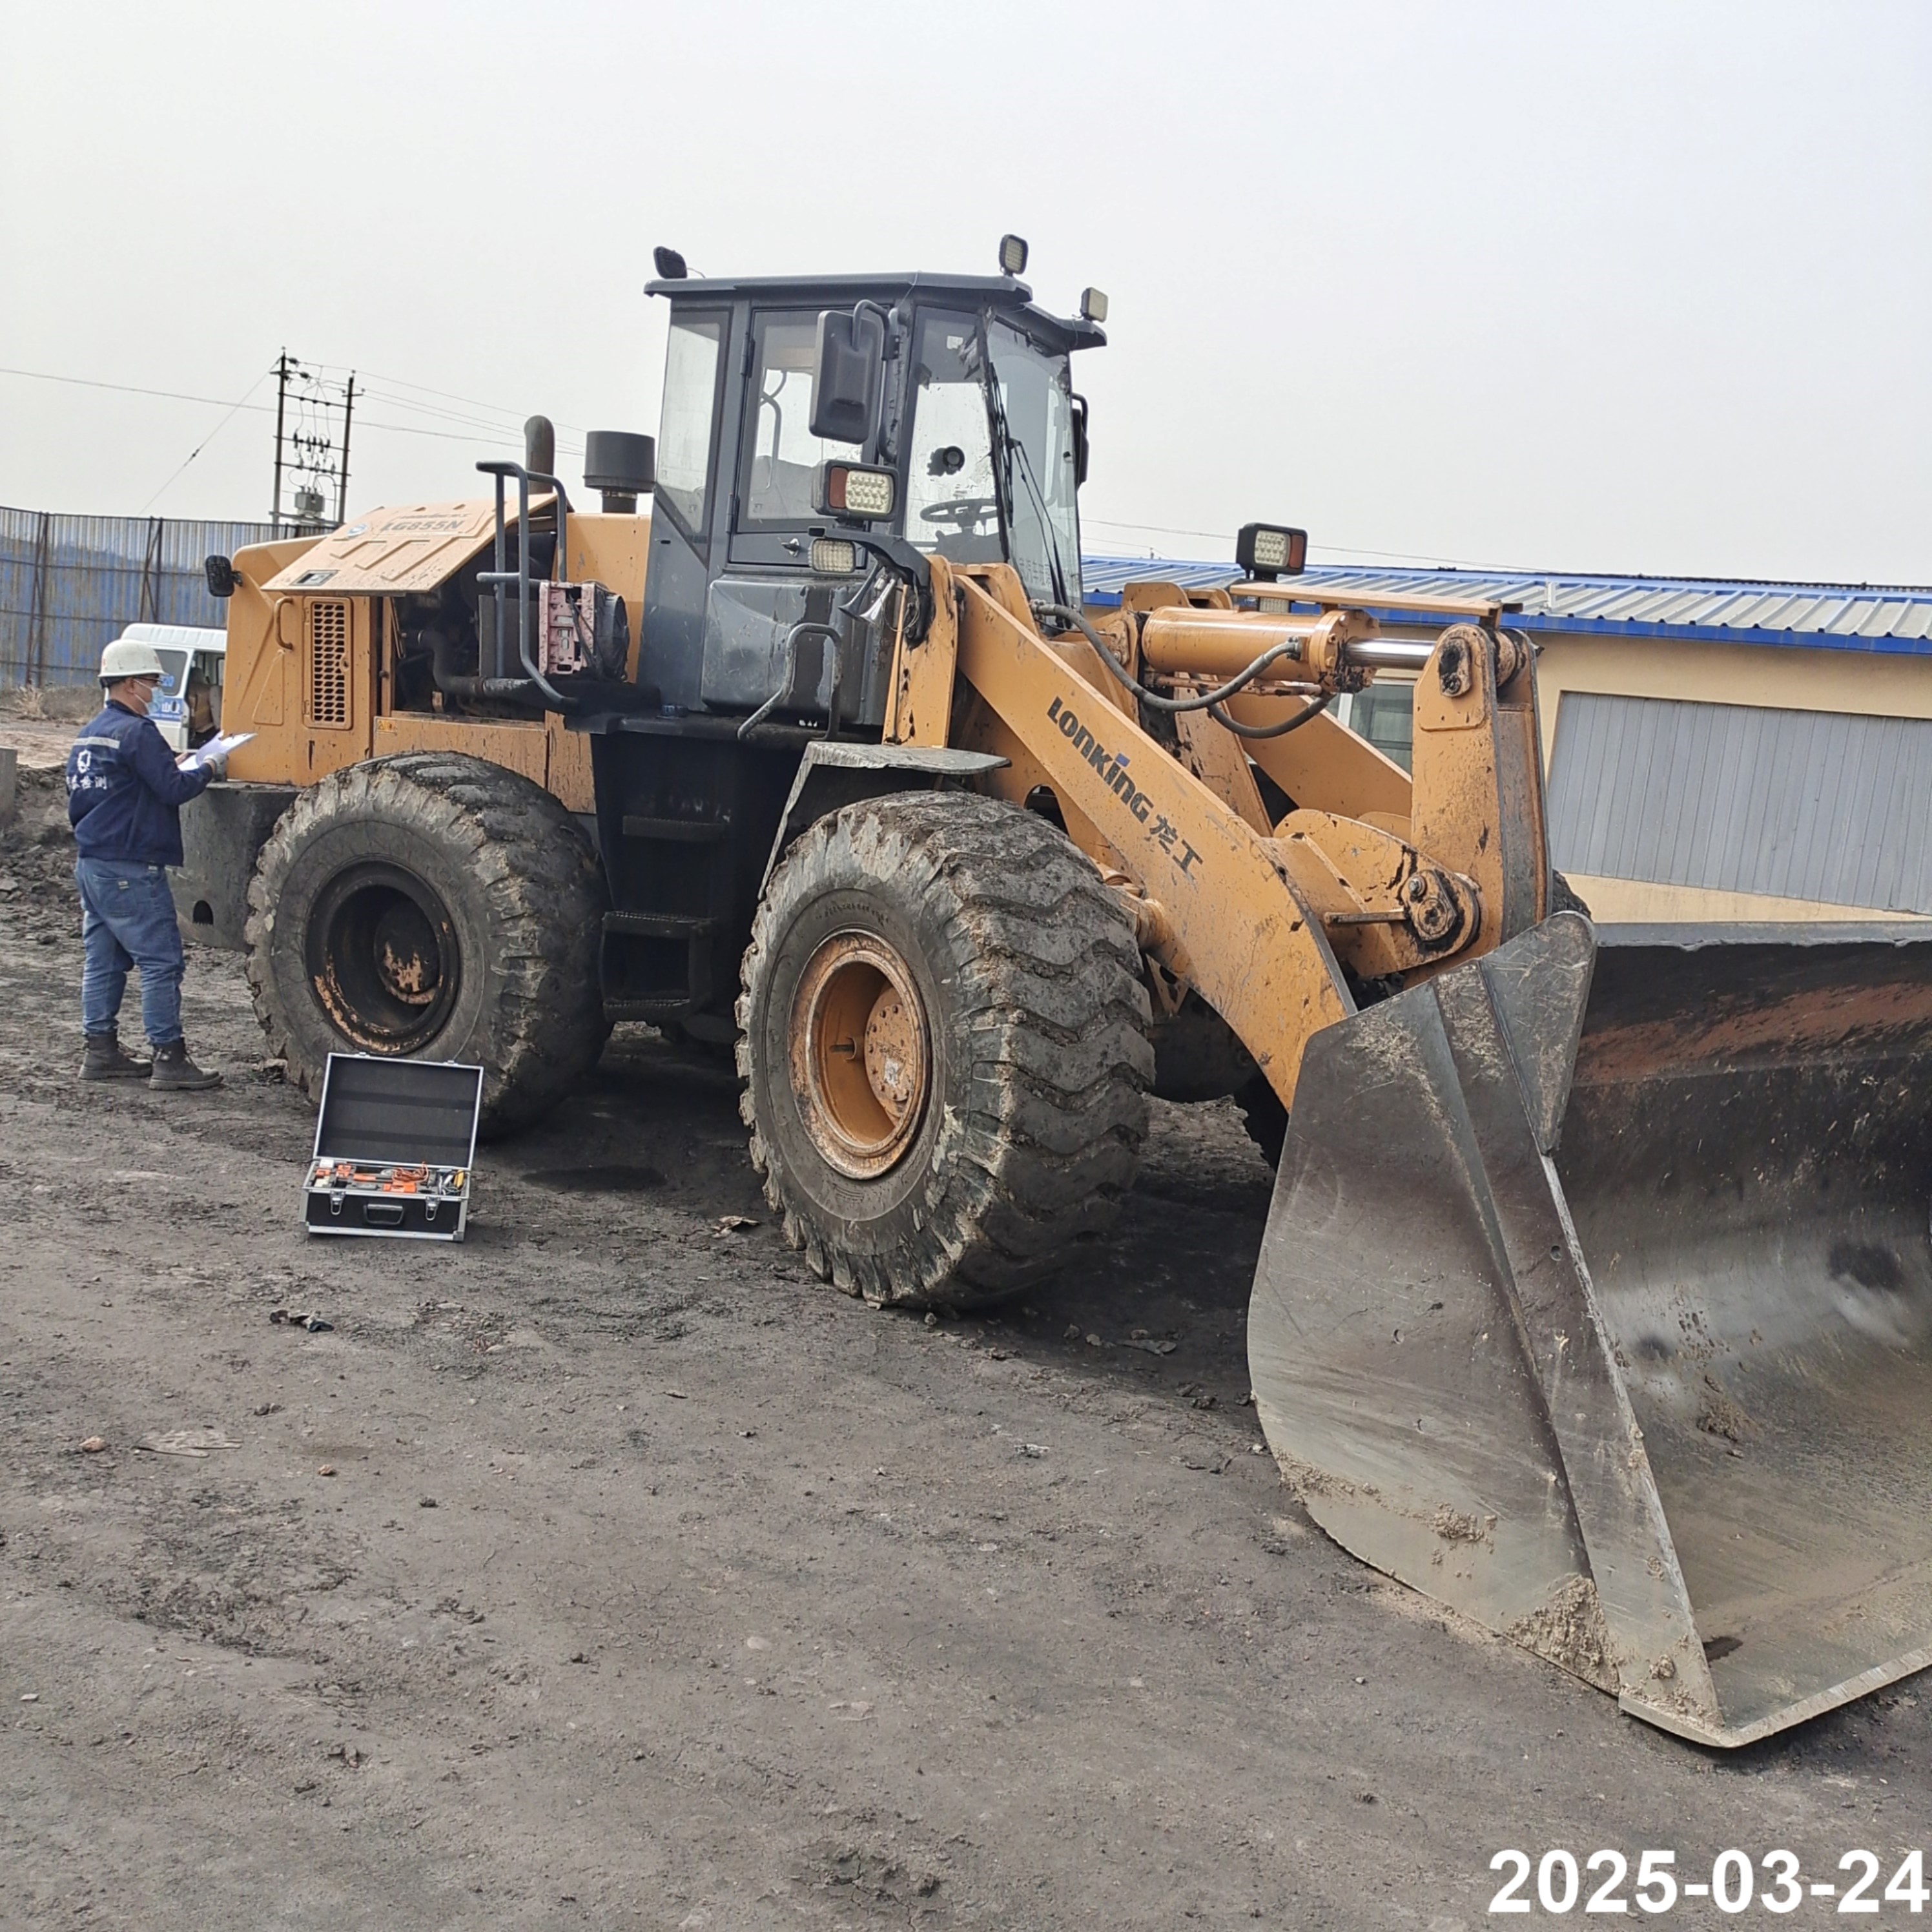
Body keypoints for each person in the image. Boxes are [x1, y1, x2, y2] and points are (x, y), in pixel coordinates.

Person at [65, 638, 224, 1089]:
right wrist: (209, 767)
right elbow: (173, 789)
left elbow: (118, 786)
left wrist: (167, 766)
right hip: (131, 866)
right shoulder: (138, 733)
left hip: (93, 864)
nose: (155, 691)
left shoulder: (89, 734)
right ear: (131, 684)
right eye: (152, 683)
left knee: (103, 960)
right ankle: (169, 1058)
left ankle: (100, 1052)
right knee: (160, 962)